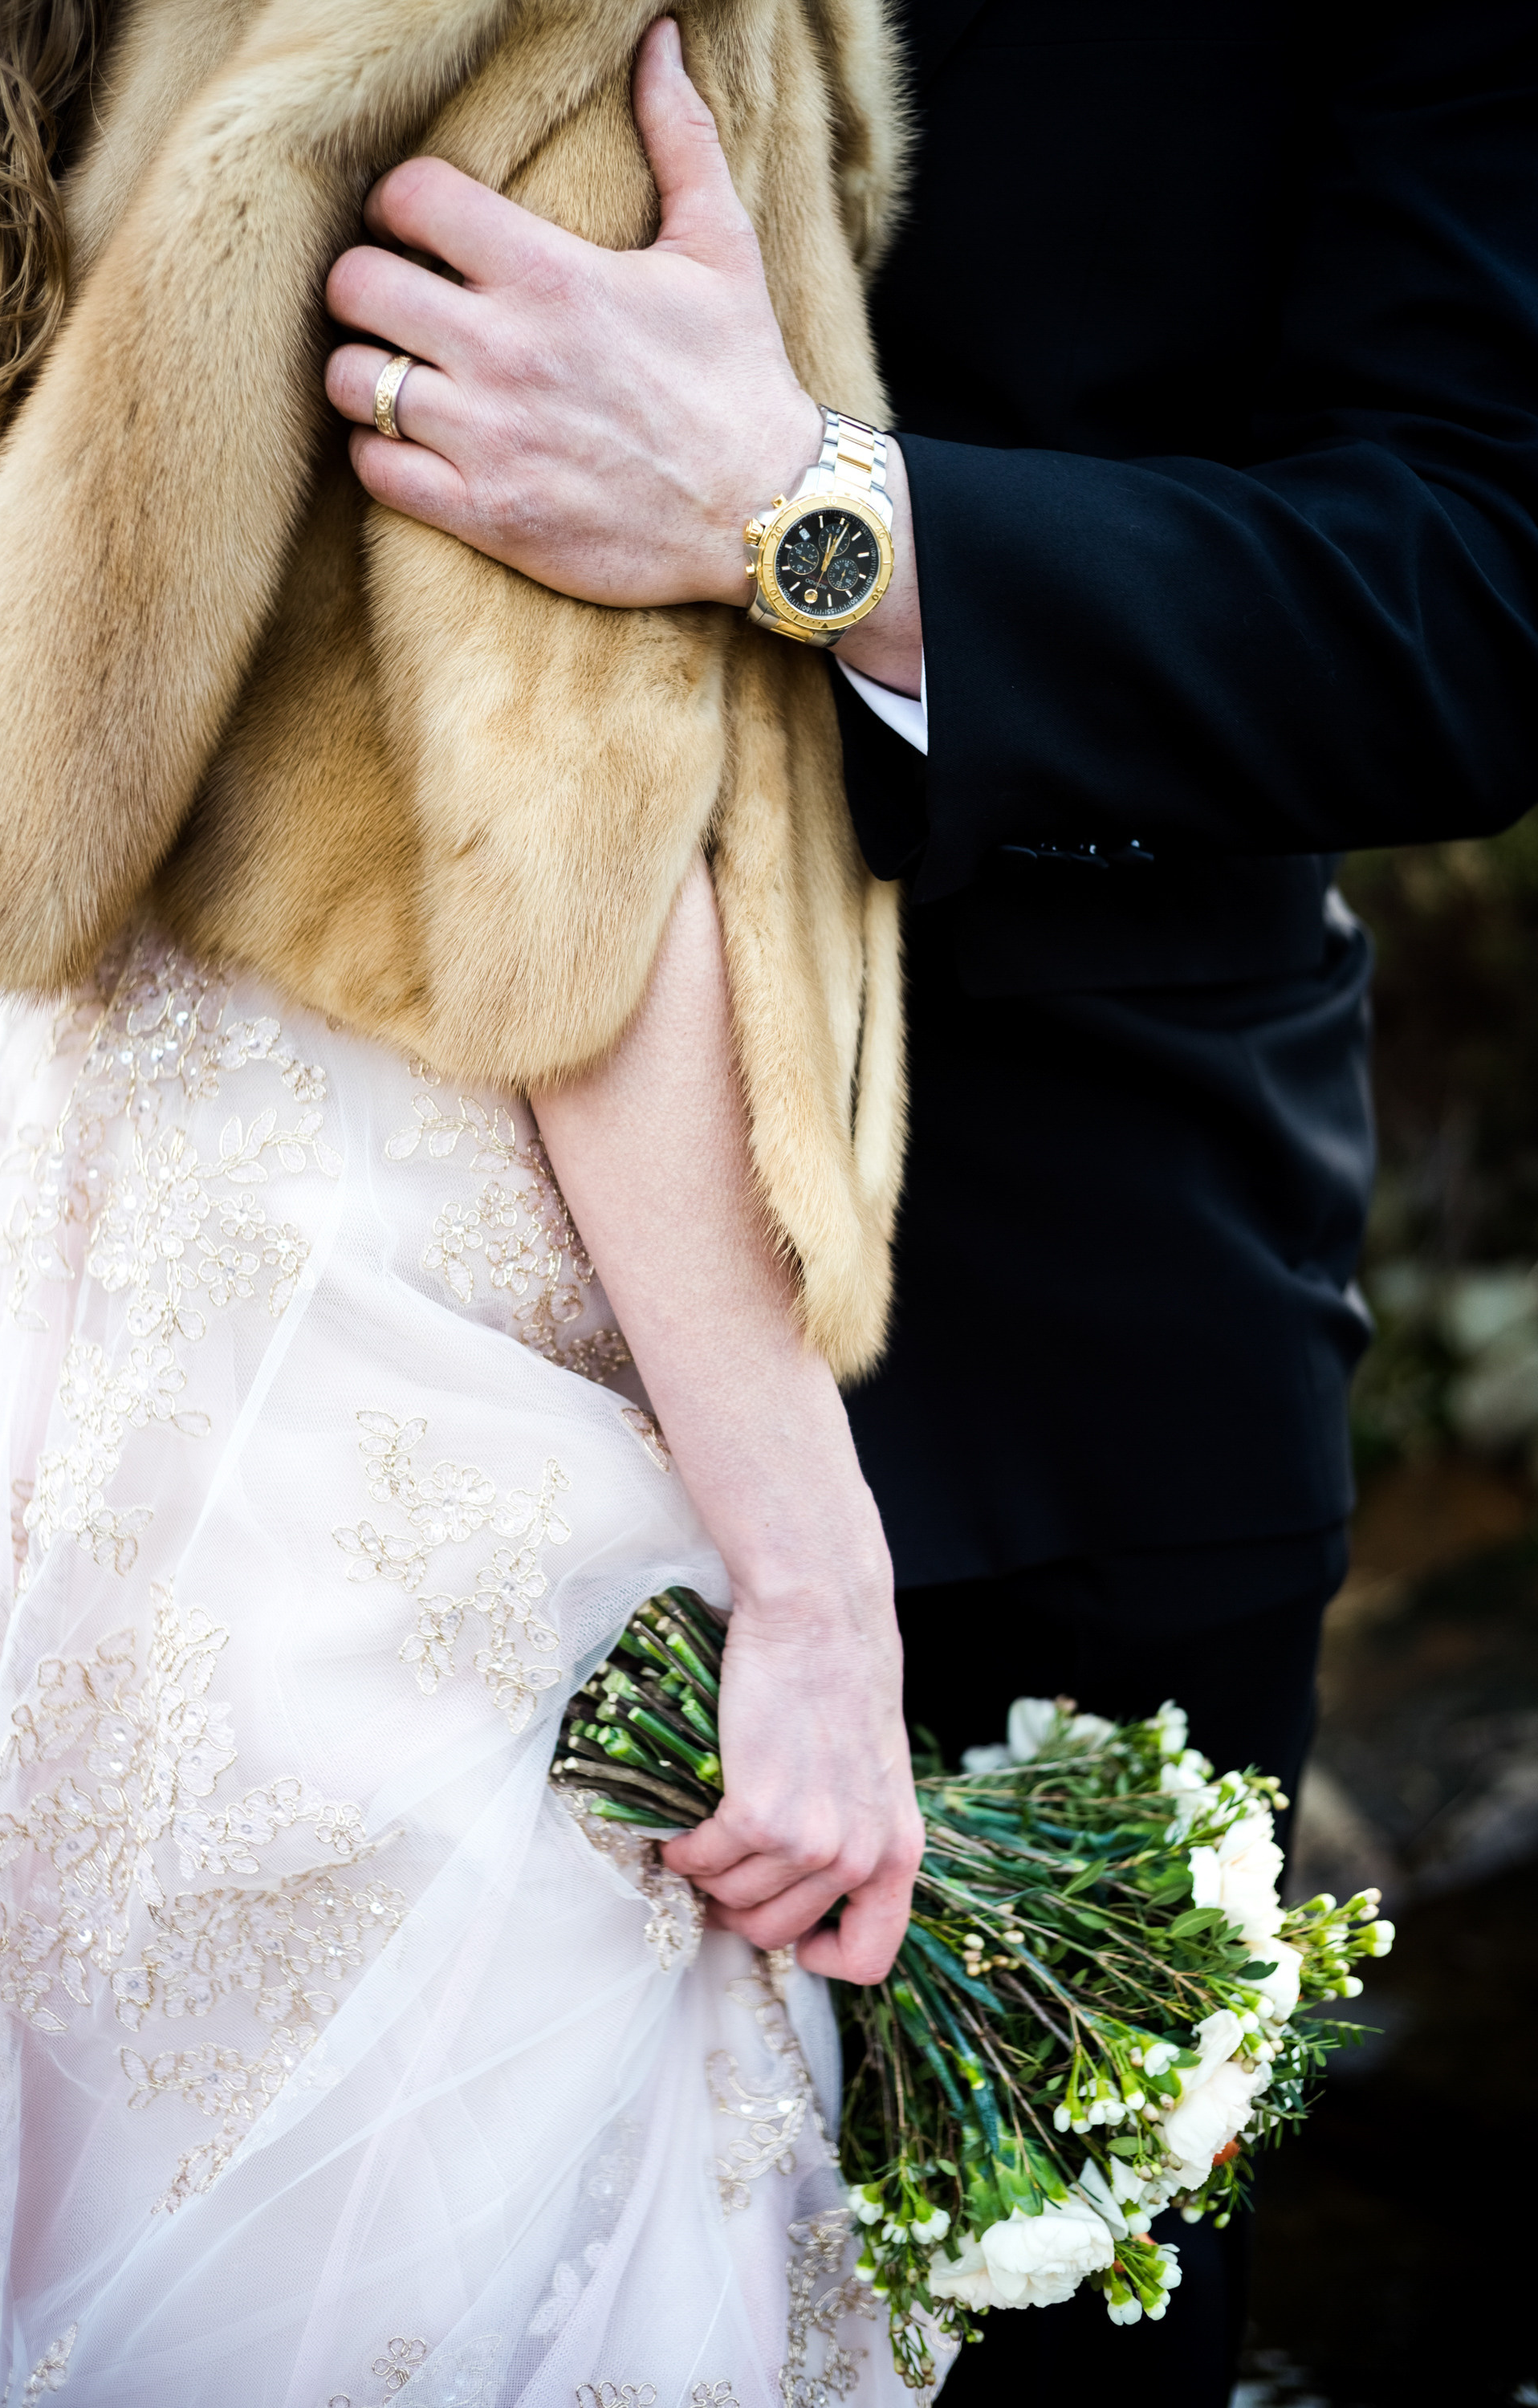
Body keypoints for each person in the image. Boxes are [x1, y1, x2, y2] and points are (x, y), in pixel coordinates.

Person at [320, 3, 1538, 2402]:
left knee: (1051, 2330)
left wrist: (807, 517)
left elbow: (1475, 597)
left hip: (1059, 1305)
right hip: (363, 1285)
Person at [0, 3, 926, 2398]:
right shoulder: (590, 26)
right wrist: (818, 1584)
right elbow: (577, 855)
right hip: (422, 1295)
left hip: (63, 1209)